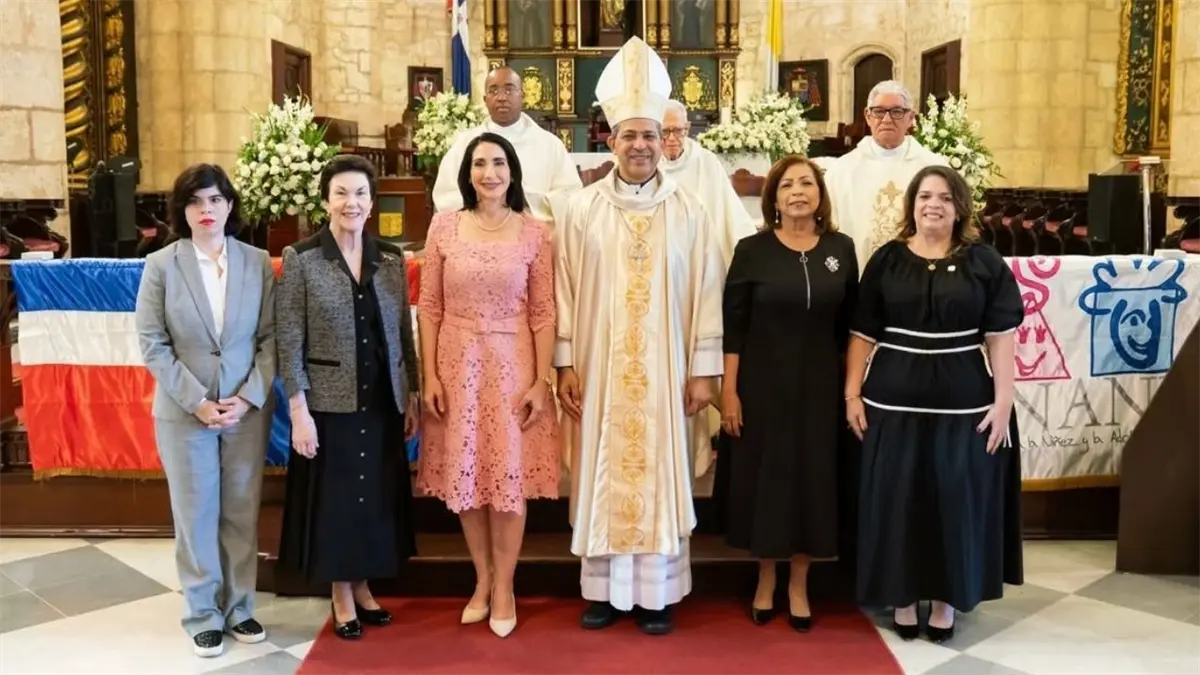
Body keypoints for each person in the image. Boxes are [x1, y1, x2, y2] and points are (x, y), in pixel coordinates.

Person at [554, 36, 725, 636]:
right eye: (629, 135)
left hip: (668, 371)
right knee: (604, 466)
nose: (640, 146)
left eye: (650, 135)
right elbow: (565, 289)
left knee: (658, 467)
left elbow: (707, 290)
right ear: (610, 139)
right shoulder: (581, 210)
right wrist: (566, 362)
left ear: (664, 142)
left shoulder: (690, 211)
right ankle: (604, 592)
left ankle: (655, 595)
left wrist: (704, 369)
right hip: (601, 370)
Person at [846, 165, 1024, 643]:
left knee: (954, 499)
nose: (934, 205)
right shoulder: (886, 260)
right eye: (925, 196)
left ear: (959, 206)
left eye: (945, 197)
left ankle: (946, 599)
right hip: (891, 403)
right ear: (912, 205)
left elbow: (1000, 338)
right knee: (898, 498)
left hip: (963, 406)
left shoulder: (984, 263)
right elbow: (862, 333)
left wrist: (1003, 401)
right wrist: (851, 393)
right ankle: (902, 597)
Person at [416, 132, 561, 638]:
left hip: (512, 368)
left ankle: (506, 586)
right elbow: (429, 307)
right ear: (468, 173)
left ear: (513, 171)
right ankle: (482, 579)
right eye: (479, 164)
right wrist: (429, 374)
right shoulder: (444, 227)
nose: (489, 173)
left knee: (507, 481)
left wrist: (541, 382)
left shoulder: (534, 233)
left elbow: (544, 313)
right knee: (469, 478)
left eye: (498, 163)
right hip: (456, 365)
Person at [275, 154, 421, 640]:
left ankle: (362, 586)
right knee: (339, 499)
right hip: (328, 403)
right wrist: (298, 409)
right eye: (341, 193)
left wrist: (413, 394)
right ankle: (340, 593)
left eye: (360, 193)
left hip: (382, 398)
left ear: (372, 202)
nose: (351, 202)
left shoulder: (392, 259)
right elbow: (288, 338)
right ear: (325, 200)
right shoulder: (303, 259)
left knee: (372, 497)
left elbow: (403, 332)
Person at [134, 163, 276, 658]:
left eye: (215, 199)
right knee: (195, 514)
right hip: (184, 413)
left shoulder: (256, 262)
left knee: (239, 510)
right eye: (196, 201)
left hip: (244, 411)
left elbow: (270, 338)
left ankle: (239, 606)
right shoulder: (162, 266)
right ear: (183, 210)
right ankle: (202, 613)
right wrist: (196, 401)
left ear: (230, 205)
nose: (206, 210)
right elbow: (152, 344)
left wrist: (247, 396)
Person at [718, 155, 858, 631]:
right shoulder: (751, 250)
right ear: (773, 198)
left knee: (812, 481)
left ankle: (799, 583)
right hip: (762, 387)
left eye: (806, 183)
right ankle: (765, 577)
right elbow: (733, 329)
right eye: (787, 186)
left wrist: (850, 391)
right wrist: (729, 394)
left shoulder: (841, 247)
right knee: (770, 482)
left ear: (820, 195)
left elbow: (850, 328)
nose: (798, 192)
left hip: (820, 386)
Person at [812, 80, 947, 272]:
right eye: (879, 111)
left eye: (897, 111)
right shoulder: (843, 170)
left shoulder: (935, 168)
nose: (887, 119)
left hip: (921, 278)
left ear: (910, 118)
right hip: (860, 277)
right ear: (868, 116)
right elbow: (827, 228)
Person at [432, 66, 583, 221]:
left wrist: (527, 201)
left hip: (535, 236)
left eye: (509, 90)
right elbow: (445, 195)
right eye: (493, 91)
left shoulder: (550, 145)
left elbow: (571, 196)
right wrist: (485, 204)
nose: (501, 97)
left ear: (522, 96)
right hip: (479, 235)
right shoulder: (465, 143)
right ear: (485, 100)